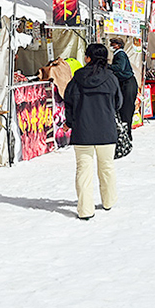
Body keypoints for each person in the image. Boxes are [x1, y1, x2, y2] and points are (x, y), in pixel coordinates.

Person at [62, 42, 119, 221]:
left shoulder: (76, 78)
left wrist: (69, 123)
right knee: (107, 167)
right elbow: (118, 103)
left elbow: (68, 103)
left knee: (83, 170)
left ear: (88, 58)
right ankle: (109, 201)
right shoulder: (111, 78)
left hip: (83, 131)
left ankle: (85, 210)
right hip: (106, 131)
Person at [108, 38, 139, 137]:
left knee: (126, 108)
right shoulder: (118, 54)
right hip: (125, 83)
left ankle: (127, 133)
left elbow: (119, 68)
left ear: (118, 45)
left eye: (113, 44)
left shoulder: (120, 54)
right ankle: (126, 132)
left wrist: (107, 66)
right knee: (124, 109)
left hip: (128, 83)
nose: (111, 46)